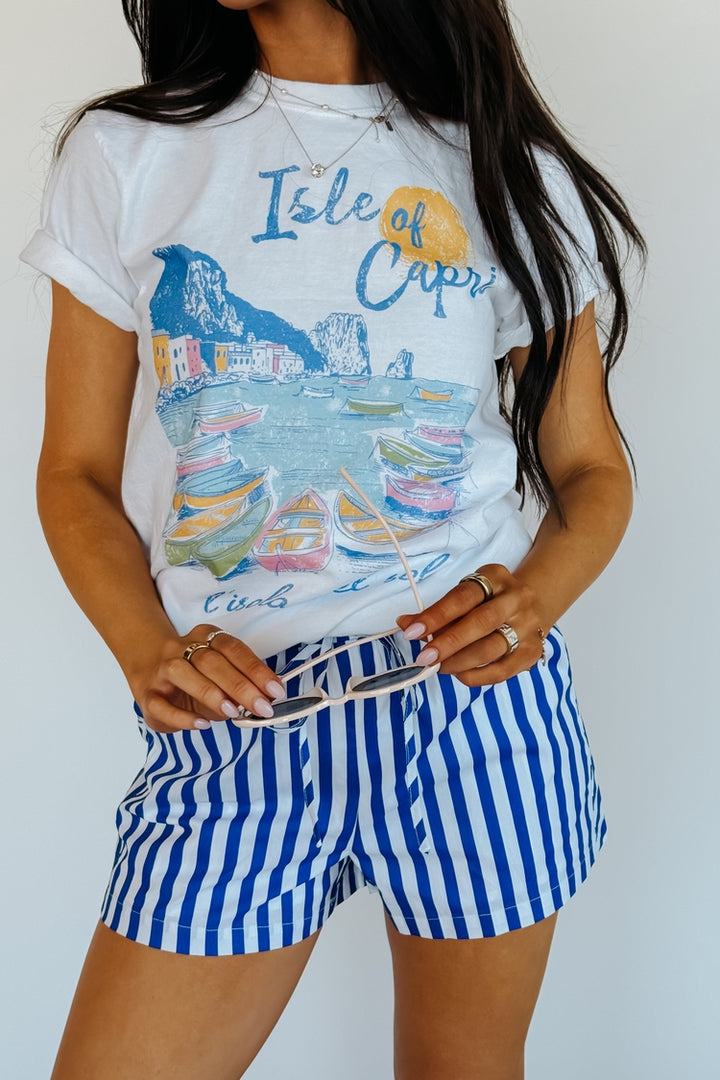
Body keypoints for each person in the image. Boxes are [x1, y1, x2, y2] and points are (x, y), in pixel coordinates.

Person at [20, 1, 644, 1076]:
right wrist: (144, 647)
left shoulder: (501, 167)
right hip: (239, 723)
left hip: (472, 718)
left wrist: (534, 598)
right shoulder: (125, 155)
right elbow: (73, 472)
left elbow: (594, 471)